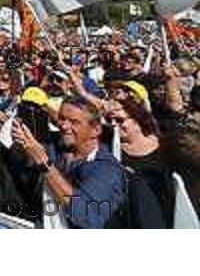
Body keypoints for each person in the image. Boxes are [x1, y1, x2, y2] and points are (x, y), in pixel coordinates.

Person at [12, 96, 127, 228]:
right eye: (61, 118)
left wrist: (45, 164)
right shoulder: (56, 146)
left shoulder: (108, 171)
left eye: (74, 122)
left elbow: (87, 216)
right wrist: (22, 139)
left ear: (96, 130)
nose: (64, 126)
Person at [110, 97, 173, 227]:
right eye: (110, 120)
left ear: (137, 120)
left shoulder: (165, 143)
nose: (114, 125)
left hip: (168, 210)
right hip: (136, 217)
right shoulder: (112, 151)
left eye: (119, 120)